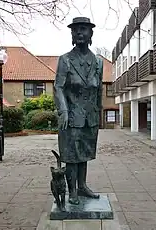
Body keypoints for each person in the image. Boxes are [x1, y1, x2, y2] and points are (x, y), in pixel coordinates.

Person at [54, 17, 103, 205]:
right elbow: (58, 87)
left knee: (85, 153)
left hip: (90, 117)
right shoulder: (65, 60)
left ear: (91, 33)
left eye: (83, 29)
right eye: (76, 30)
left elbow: (98, 90)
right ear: (72, 34)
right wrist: (63, 111)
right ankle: (72, 191)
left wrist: (97, 113)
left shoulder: (98, 63)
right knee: (71, 155)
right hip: (72, 116)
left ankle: (82, 186)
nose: (79, 33)